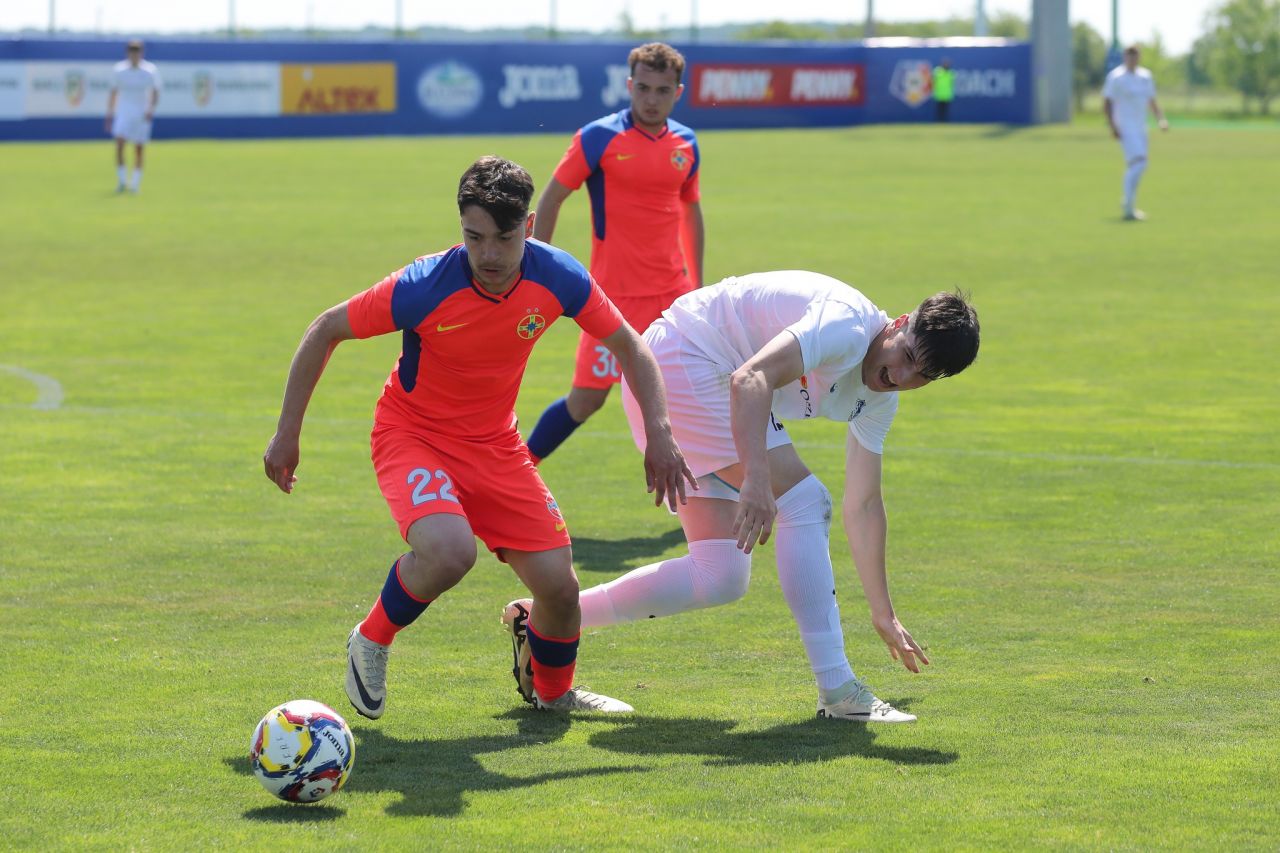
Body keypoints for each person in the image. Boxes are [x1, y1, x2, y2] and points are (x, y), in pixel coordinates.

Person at [263, 156, 695, 719]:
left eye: (504, 238)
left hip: (495, 446)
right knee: (449, 552)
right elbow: (326, 329)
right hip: (412, 434)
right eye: (474, 237)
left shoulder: (558, 277)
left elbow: (632, 347)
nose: (488, 254)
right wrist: (286, 433)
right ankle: (370, 638)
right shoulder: (423, 286)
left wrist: (660, 430)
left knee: (560, 591)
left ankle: (551, 694)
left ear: (531, 227)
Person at [504, 271, 980, 723]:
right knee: (806, 502)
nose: (901, 376)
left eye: (923, 375)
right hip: (684, 362)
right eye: (907, 355)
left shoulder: (879, 399)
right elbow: (749, 378)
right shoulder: (847, 326)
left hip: (701, 375)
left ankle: (546, 623)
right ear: (898, 324)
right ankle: (838, 691)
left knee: (720, 575)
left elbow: (865, 505)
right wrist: (755, 480)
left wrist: (884, 612)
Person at [524, 42, 704, 464]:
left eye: (662, 90)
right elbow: (550, 200)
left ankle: (708, 499)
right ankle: (517, 468)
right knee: (586, 400)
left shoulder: (686, 144)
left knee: (689, 395)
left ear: (678, 92)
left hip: (671, 299)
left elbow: (690, 211)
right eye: (643, 88)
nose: (651, 99)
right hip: (612, 301)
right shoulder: (598, 138)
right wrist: (540, 269)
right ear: (629, 85)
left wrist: (697, 285)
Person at [1102, 45, 1169, 221]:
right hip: (1125, 126)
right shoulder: (1116, 77)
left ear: (1139, 58)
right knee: (1139, 164)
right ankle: (1128, 207)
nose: (1132, 60)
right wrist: (1112, 126)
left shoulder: (1145, 76)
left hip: (1141, 127)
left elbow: (1151, 100)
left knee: (1137, 165)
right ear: (1124, 57)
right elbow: (1107, 102)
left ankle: (1129, 202)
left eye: (1135, 57)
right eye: (1129, 56)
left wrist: (1161, 120)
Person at [104, 40, 160, 194]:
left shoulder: (149, 70)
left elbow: (155, 92)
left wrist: (151, 109)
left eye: (137, 52)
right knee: (120, 145)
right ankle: (122, 181)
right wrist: (109, 114)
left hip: (141, 114)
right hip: (123, 112)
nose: (134, 55)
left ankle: (135, 184)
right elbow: (113, 92)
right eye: (132, 52)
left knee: (139, 149)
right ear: (127, 53)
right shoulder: (119, 70)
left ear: (141, 53)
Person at [933, 57, 954, 122]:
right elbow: (933, 80)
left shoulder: (950, 73)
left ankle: (945, 122)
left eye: (947, 64)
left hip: (947, 95)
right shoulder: (937, 71)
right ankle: (939, 122)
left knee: (945, 111)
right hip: (939, 95)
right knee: (939, 111)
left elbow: (951, 84)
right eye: (945, 64)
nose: (946, 65)